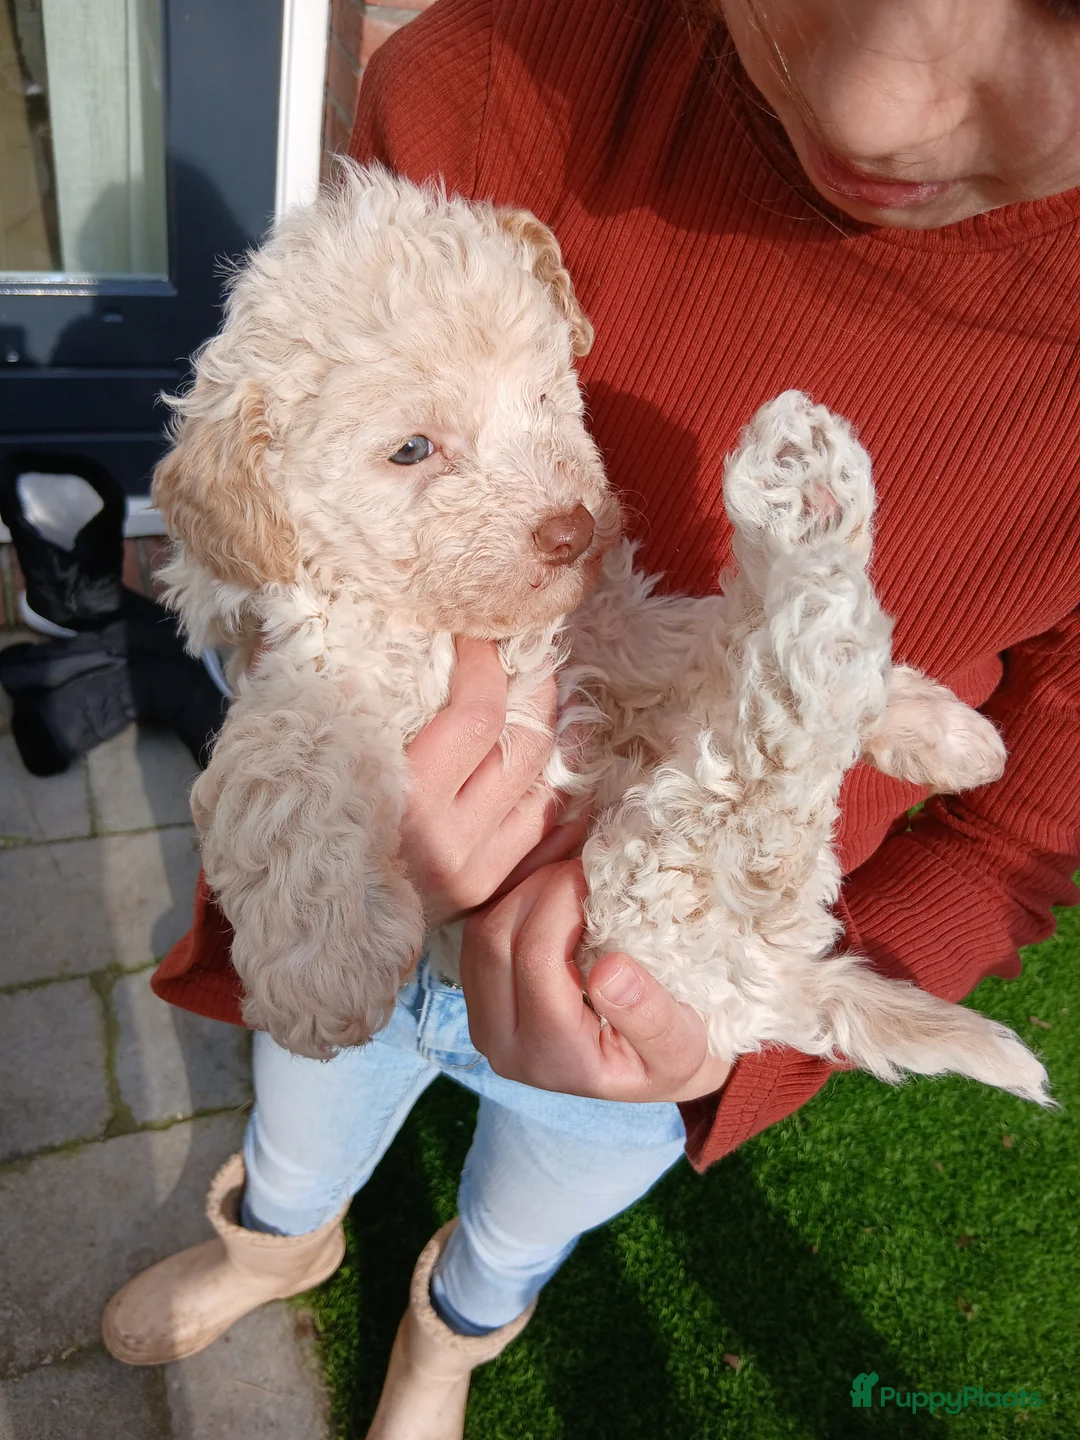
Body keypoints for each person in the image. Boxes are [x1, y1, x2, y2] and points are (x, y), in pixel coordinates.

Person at [102, 1, 1080, 1435]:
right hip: (357, 929)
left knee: (529, 1210)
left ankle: (451, 1336)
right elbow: (275, 575)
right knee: (300, 1115)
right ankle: (277, 1244)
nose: (879, 105)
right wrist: (322, 794)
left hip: (649, 1015)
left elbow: (1021, 834)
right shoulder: (489, 82)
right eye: (424, 447)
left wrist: (726, 1042)